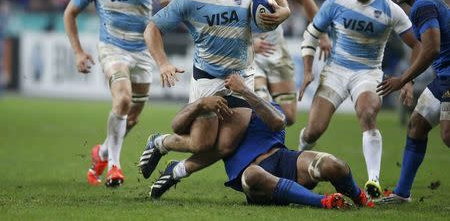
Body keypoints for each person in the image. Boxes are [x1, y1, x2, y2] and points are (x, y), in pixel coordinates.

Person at [141, 0, 290, 196]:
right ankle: (160, 142)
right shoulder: (190, 0)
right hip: (208, 79)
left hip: (241, 77)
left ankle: (174, 173)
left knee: (226, 145)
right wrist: (163, 63)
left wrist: (284, 12)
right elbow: (152, 29)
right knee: (202, 143)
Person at [141, 74, 374, 209]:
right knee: (252, 174)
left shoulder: (261, 107)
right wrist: (201, 104)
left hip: (284, 161)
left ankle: (360, 198)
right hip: (254, 177)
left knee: (336, 165)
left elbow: (279, 123)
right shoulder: (214, 114)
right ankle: (323, 202)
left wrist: (247, 93)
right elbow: (182, 127)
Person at [297, 0, 422, 199]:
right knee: (313, 130)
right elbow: (311, 35)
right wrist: (309, 70)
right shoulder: (336, 3)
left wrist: (408, 79)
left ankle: (372, 180)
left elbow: (416, 46)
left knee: (367, 113)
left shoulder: (389, 9)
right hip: (336, 71)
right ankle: (297, 163)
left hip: (368, 72)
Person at [63, 0, 174, 187]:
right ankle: (114, 166)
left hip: (143, 52)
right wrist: (79, 52)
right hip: (112, 48)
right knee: (122, 99)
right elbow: (70, 14)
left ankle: (101, 153)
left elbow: (172, 7)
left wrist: (162, 34)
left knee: (132, 117)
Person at [227, 0, 332, 126]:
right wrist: (248, 42)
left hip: (277, 51)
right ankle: (259, 152)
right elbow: (219, 26)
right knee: (260, 102)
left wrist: (322, 34)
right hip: (248, 55)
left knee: (288, 117)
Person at [376, 0, 450, 204]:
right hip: (444, 78)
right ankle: (402, 194)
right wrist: (411, 80)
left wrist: (402, 79)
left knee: (448, 135)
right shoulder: (422, 5)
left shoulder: (423, 6)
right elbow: (420, 48)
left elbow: (431, 49)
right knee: (416, 125)